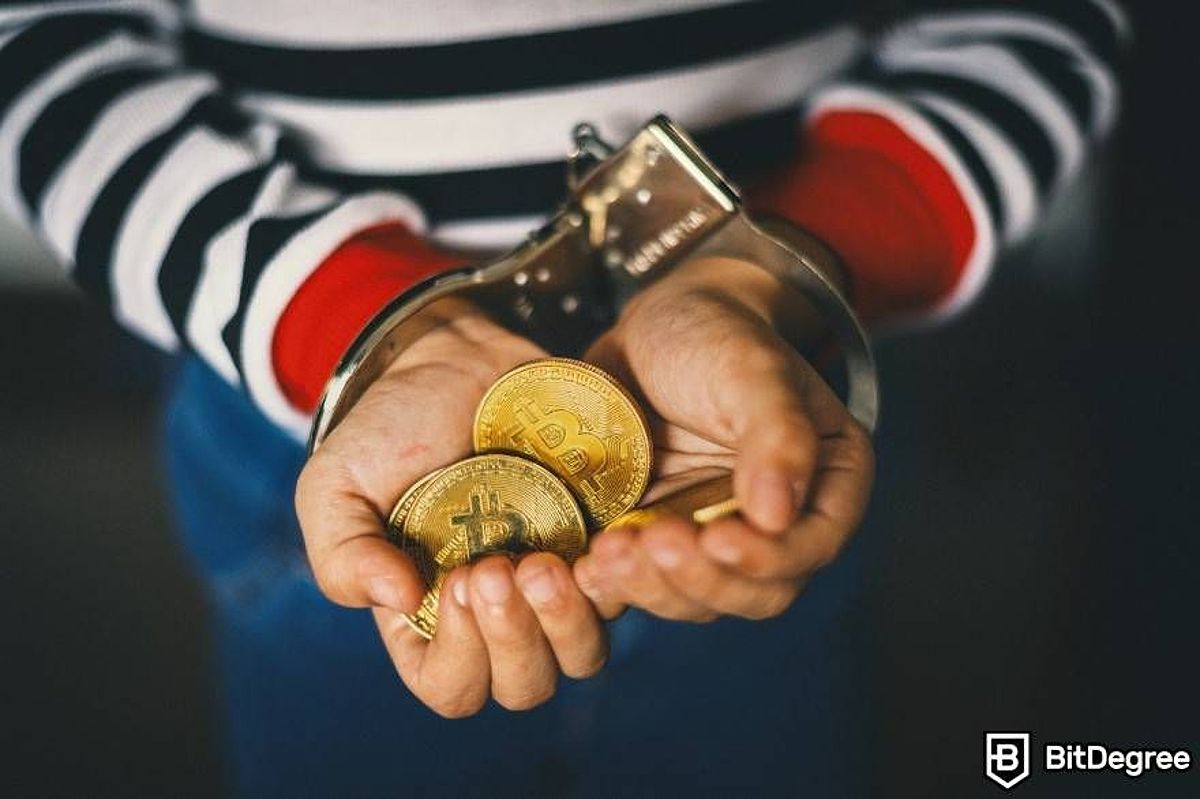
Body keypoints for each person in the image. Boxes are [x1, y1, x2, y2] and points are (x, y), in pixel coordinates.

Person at [0, 1, 1127, 795]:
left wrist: (767, 273)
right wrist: (358, 316)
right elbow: (47, 55)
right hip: (321, 426)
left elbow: (1035, 24)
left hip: (750, 423)